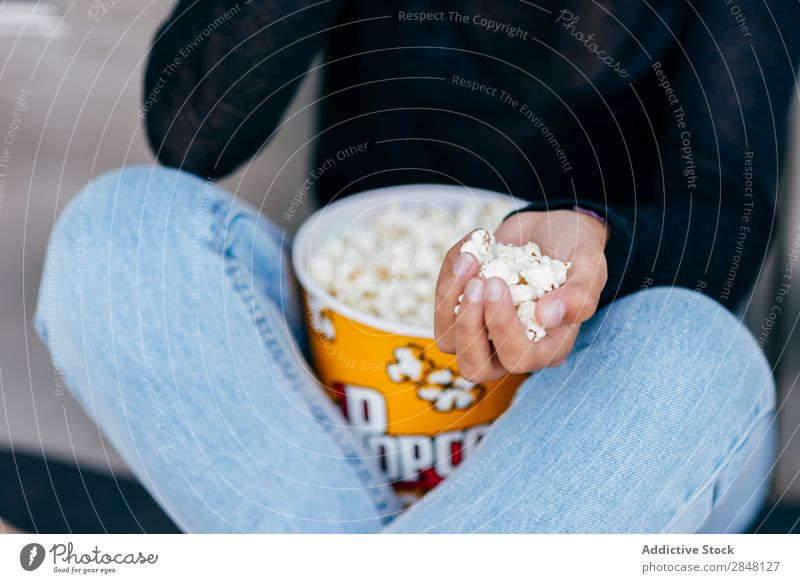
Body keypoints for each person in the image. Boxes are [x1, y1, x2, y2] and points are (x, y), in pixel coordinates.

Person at [29, 1, 798, 533]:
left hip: (606, 431)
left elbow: (724, 208)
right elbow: (192, 132)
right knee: (119, 235)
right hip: (350, 396)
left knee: (701, 353)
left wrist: (594, 243)